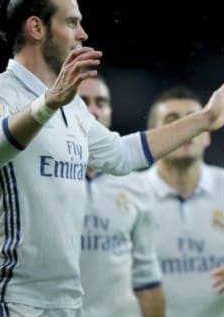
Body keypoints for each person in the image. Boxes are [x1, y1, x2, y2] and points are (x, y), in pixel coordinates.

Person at [0, 0, 224, 317]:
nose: (82, 33)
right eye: (71, 22)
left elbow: (121, 155)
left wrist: (204, 119)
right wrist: (47, 104)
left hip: (66, 300)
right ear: (36, 27)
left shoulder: (72, 107)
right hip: (12, 295)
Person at [141, 86, 224, 317]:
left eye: (194, 121)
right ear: (154, 137)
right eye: (172, 121)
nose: (186, 130)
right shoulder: (132, 192)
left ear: (207, 134)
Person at [78, 76, 164, 317]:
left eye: (101, 102)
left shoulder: (137, 184)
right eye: (83, 102)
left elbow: (147, 278)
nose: (93, 110)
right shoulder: (45, 176)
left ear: (110, 113)